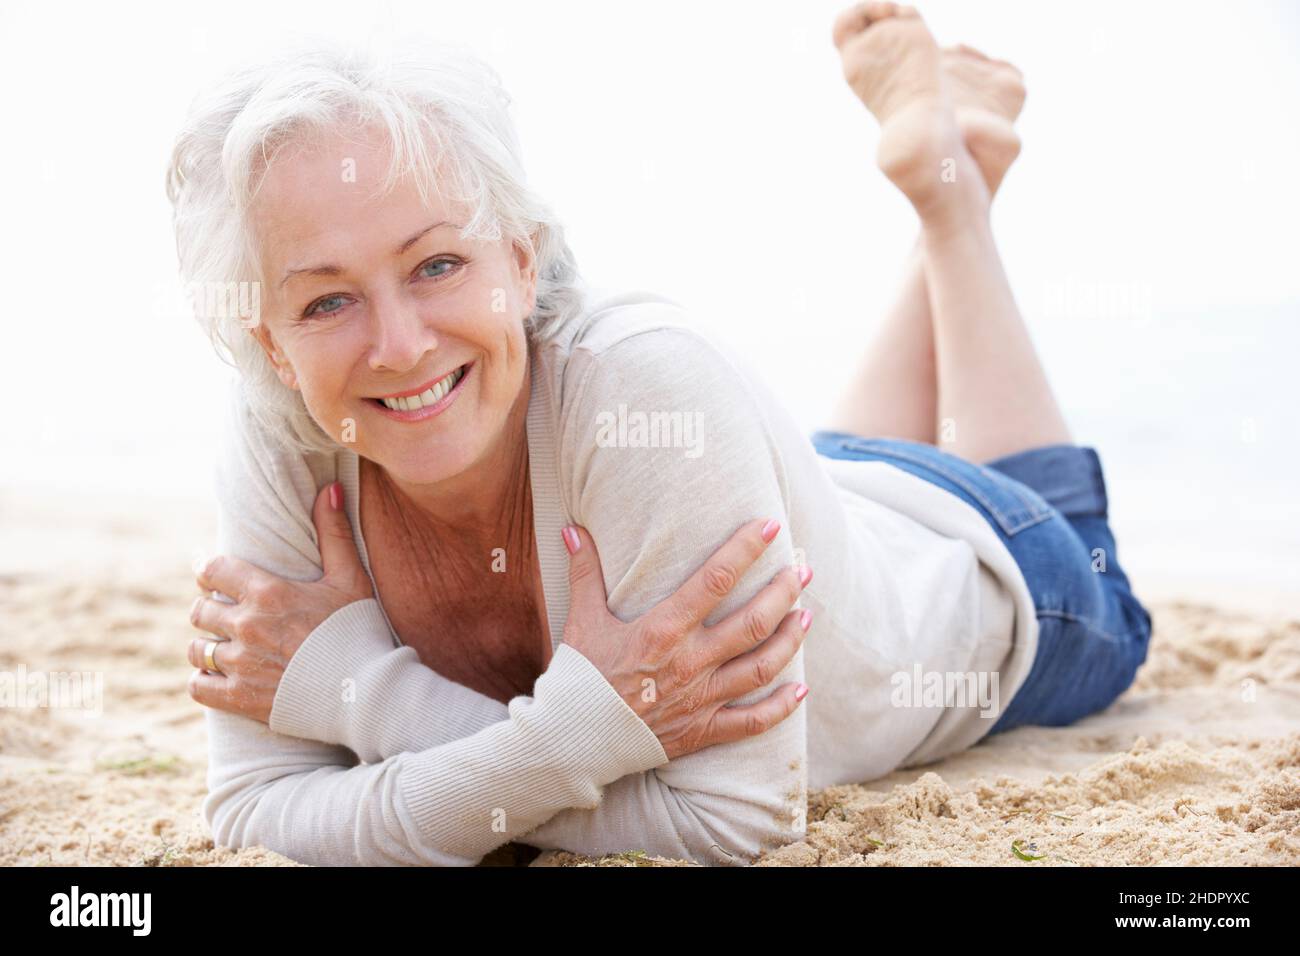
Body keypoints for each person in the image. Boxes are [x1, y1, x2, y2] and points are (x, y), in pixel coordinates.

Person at [172, 2, 1152, 867]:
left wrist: (356, 689)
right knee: (798, 471)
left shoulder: (646, 384)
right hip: (795, 494)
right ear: (269, 338)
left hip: (987, 571)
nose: (397, 344)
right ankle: (951, 170)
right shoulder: (278, 430)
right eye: (327, 300)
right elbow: (256, 810)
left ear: (521, 257)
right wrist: (574, 736)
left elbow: (731, 821)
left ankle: (953, 202)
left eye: (435, 265)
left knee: (1096, 577)